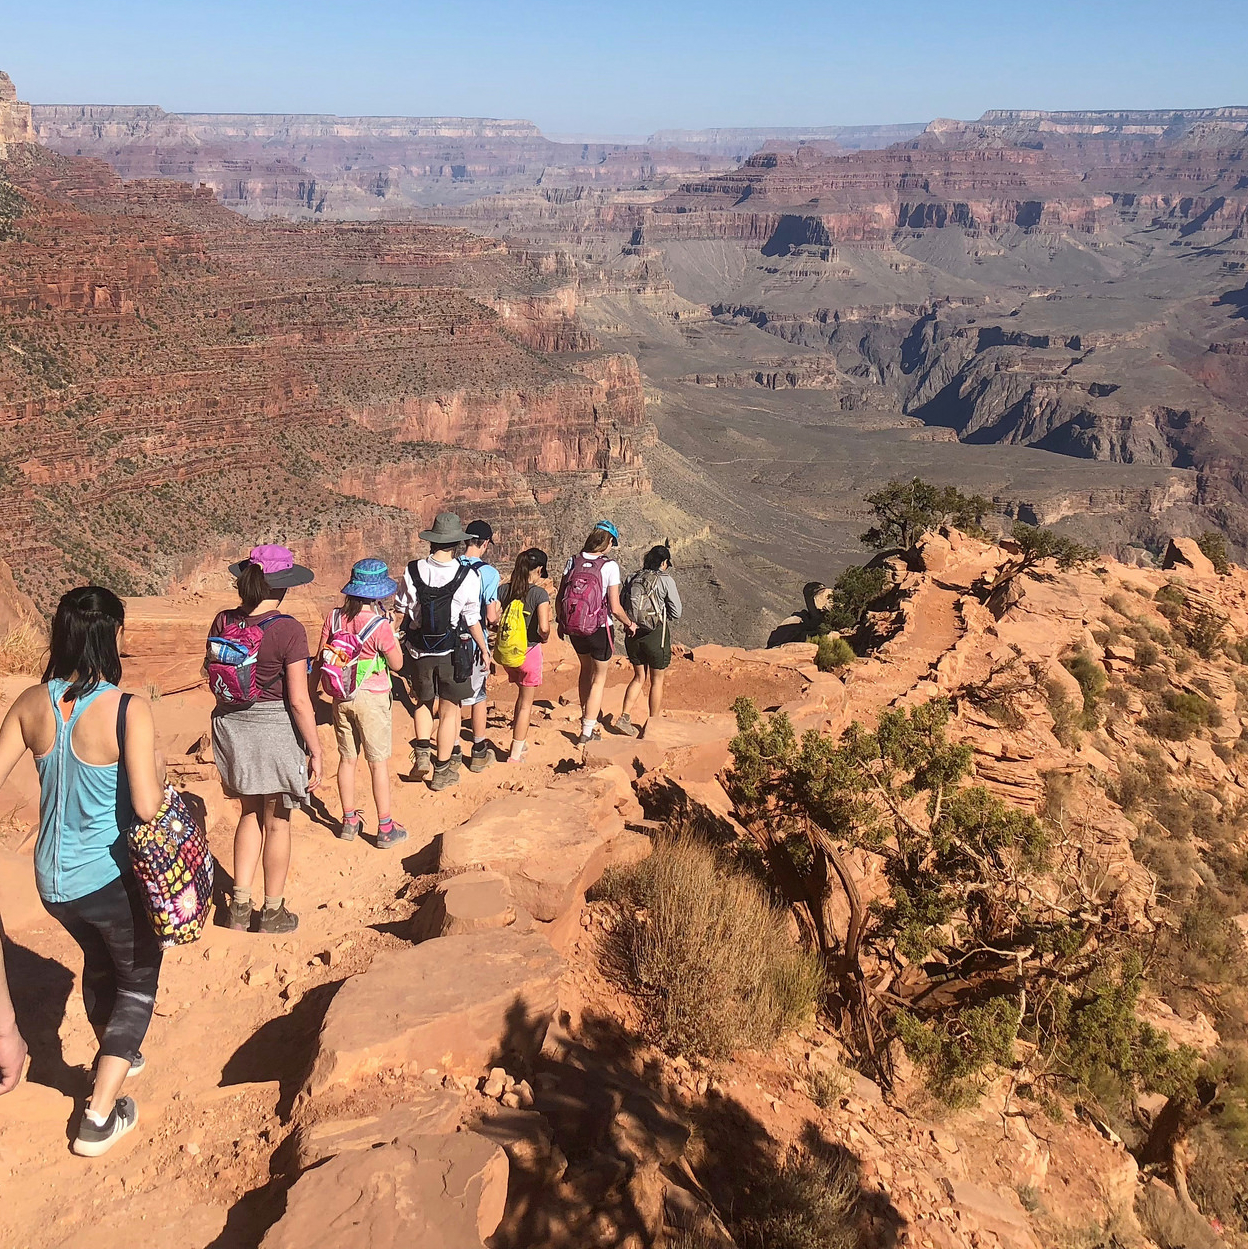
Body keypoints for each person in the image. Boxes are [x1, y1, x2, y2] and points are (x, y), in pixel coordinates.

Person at [0, 587, 166, 1155]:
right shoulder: (127, 708)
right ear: (110, 635)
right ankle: (98, 1115)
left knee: (99, 962)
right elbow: (146, 806)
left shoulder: (29, 703)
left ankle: (122, 1050)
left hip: (51, 882)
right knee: (139, 978)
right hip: (109, 877)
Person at [208, 545, 321, 936]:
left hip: (232, 727)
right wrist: (316, 751)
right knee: (279, 821)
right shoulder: (288, 629)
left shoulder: (223, 619)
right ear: (283, 586)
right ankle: (272, 913)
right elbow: (300, 701)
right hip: (274, 727)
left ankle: (239, 908)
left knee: (249, 812)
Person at [313, 559, 406, 849]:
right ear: (377, 592)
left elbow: (321, 658)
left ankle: (349, 821)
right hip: (373, 698)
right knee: (377, 764)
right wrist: (392, 631)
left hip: (341, 696)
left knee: (347, 760)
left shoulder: (334, 618)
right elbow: (398, 664)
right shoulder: (379, 626)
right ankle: (386, 828)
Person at [395, 513, 490, 792]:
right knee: (450, 710)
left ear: (432, 541)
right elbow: (472, 618)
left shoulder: (412, 571)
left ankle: (423, 751)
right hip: (451, 651)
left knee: (423, 702)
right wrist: (484, 649)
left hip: (418, 650)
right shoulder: (468, 575)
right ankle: (441, 771)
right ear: (457, 544)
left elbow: (401, 609)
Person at [556, 521, 636, 747]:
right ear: (608, 541)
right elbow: (615, 606)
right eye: (613, 542)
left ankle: (586, 721)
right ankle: (587, 732)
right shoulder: (609, 566)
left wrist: (562, 622)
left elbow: (560, 596)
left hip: (574, 627)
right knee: (599, 679)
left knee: (585, 671)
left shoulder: (572, 560)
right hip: (600, 629)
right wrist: (629, 624)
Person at [617, 545, 683, 739]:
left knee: (638, 677)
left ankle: (624, 717)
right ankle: (653, 724)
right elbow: (676, 612)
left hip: (633, 633)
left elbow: (622, 604)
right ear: (664, 563)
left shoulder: (632, 577)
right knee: (657, 680)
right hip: (656, 634)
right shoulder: (665, 580)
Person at [495, 548, 552, 763]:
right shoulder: (539, 594)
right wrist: (544, 638)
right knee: (527, 703)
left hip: (508, 655)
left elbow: (492, 618)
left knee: (520, 695)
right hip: (529, 652)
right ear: (539, 569)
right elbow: (544, 628)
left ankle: (520, 741)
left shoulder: (503, 591)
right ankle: (515, 753)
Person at [458, 520, 502, 772]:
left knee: (450, 700)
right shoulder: (489, 573)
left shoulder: (452, 565)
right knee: (478, 698)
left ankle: (451, 752)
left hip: (448, 641)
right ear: (485, 543)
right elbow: (491, 615)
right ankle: (478, 752)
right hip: (474, 643)